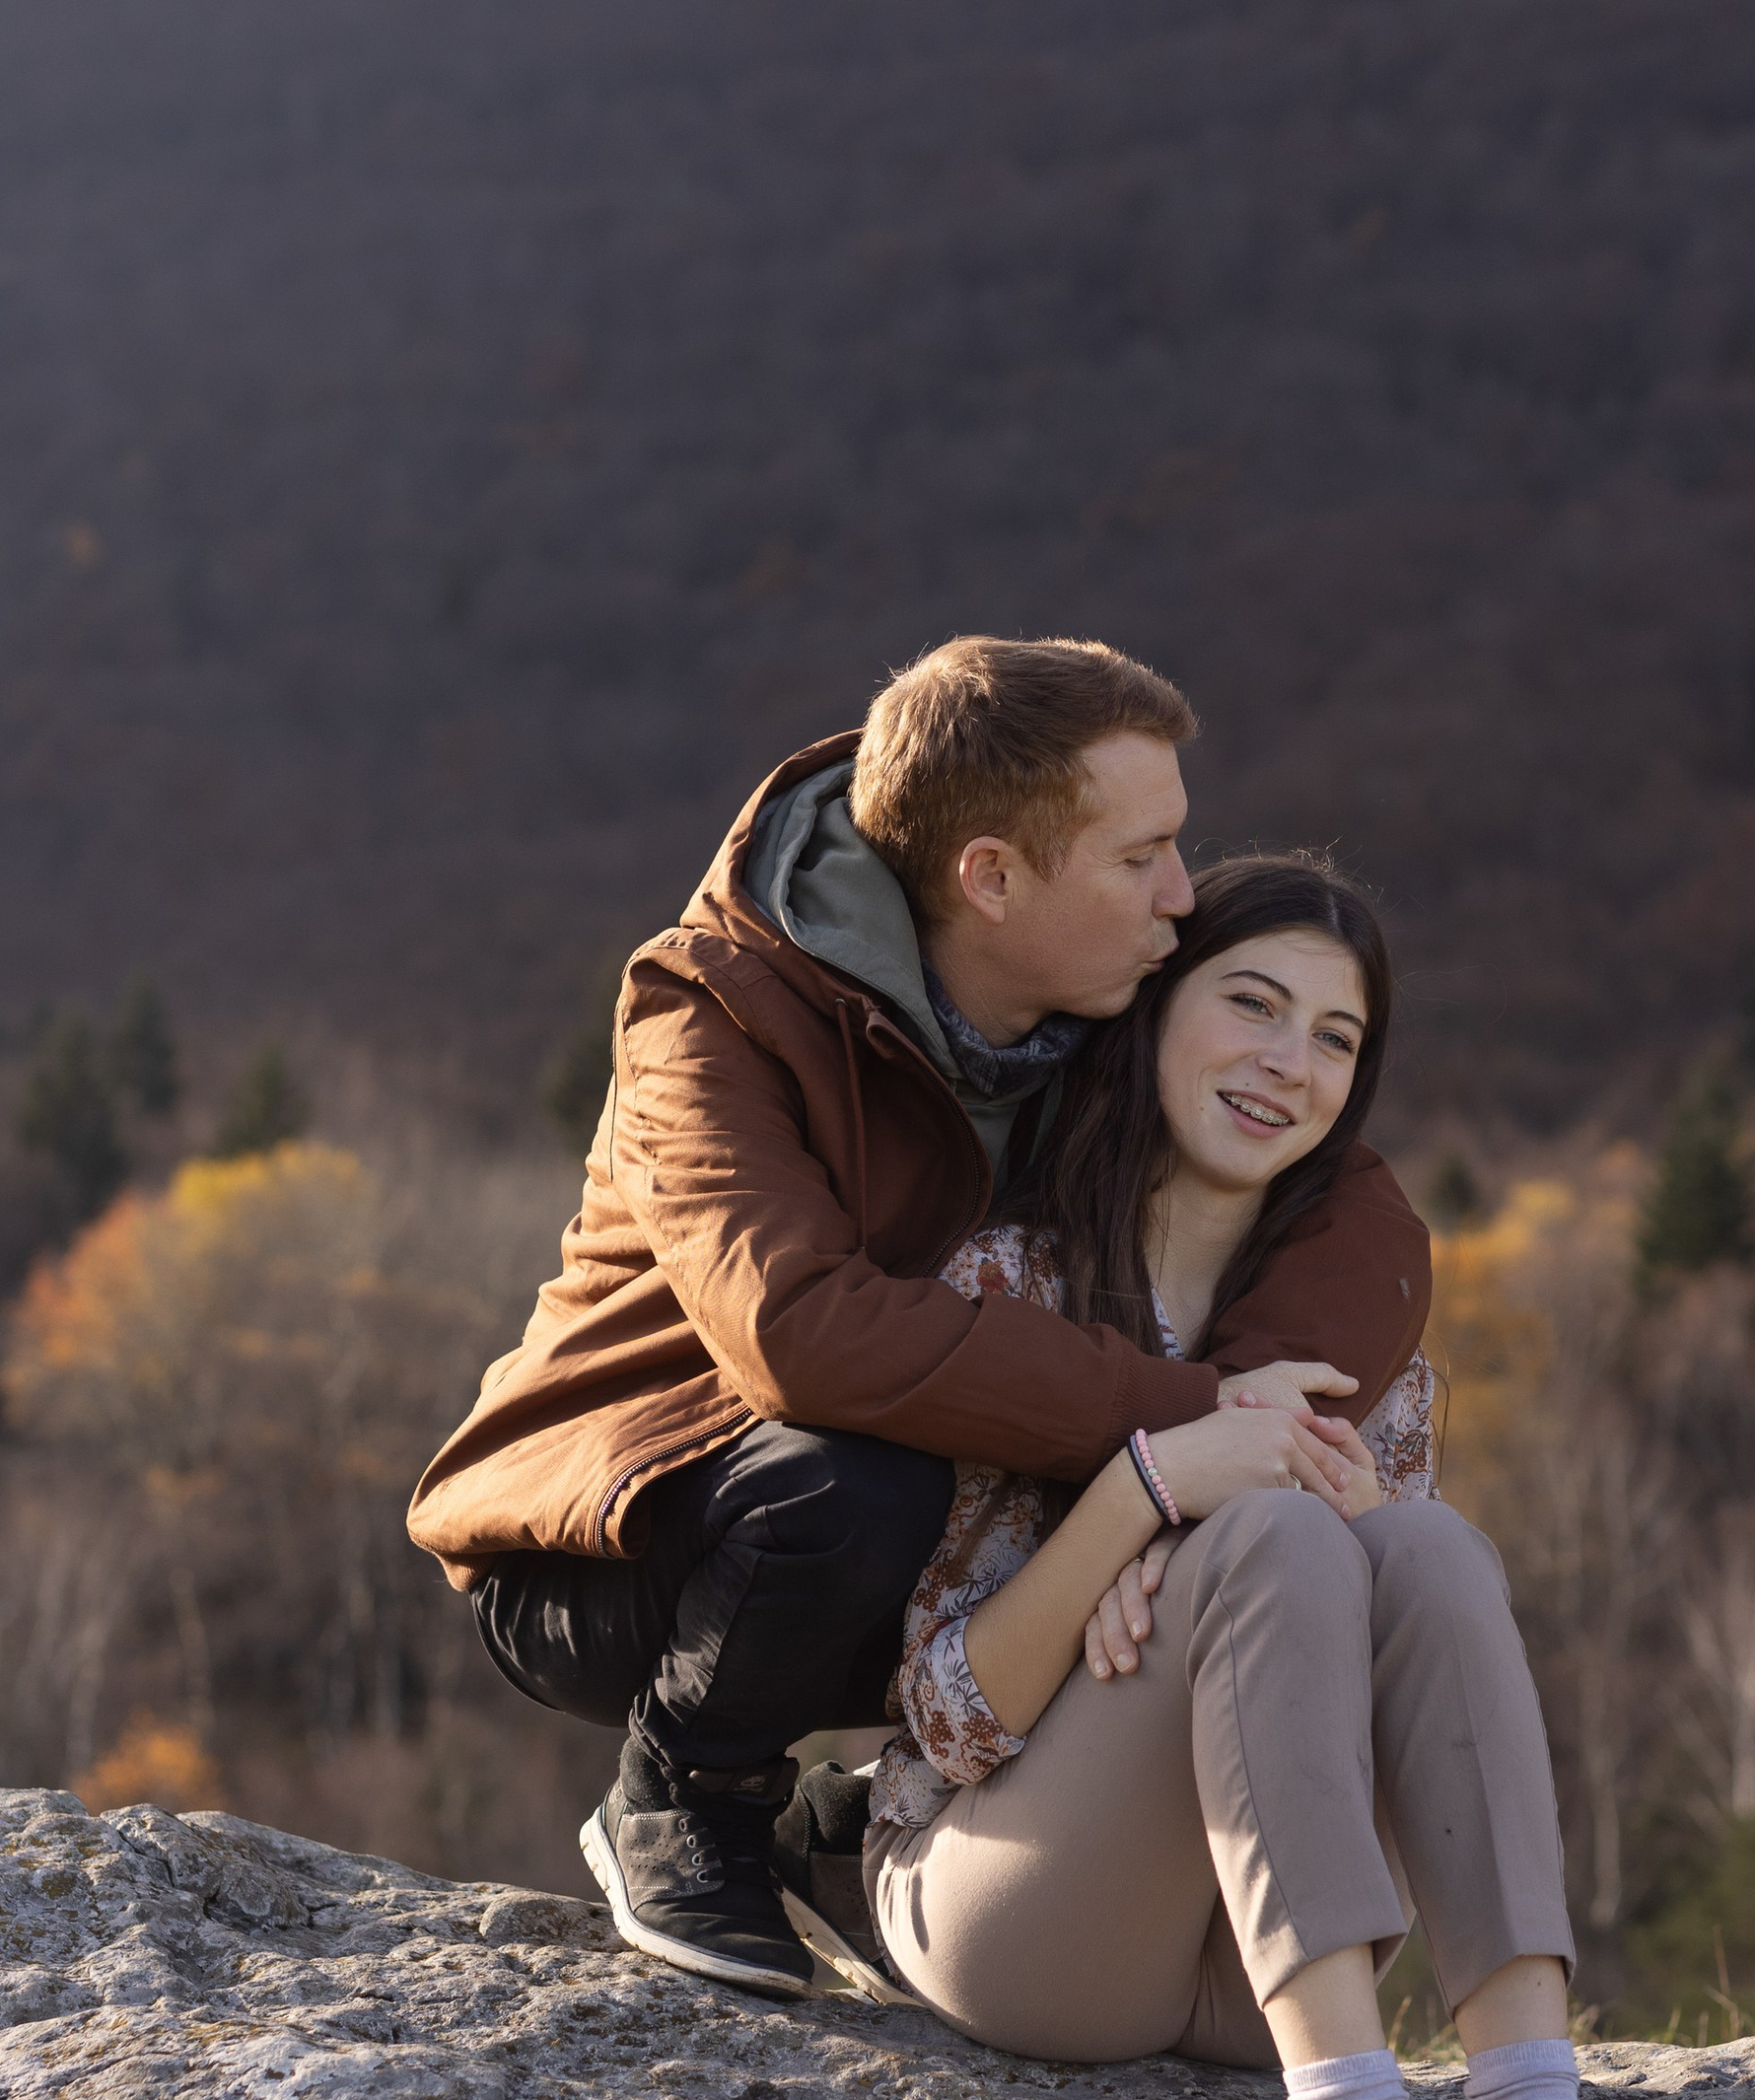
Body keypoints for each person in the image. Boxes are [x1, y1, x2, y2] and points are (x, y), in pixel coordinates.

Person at [407, 638, 1432, 1995]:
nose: (1181, 898)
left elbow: (1350, 1202)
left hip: (887, 1536)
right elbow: (800, 1334)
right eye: (1141, 860)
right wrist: (1182, 1430)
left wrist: (1227, 1459)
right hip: (620, 1547)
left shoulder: (1101, 1002)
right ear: (992, 877)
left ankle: (856, 1829)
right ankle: (684, 1794)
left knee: (1060, 1514)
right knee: (872, 1475)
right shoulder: (713, 1010)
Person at [863, 857, 1703, 2100]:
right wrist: (1146, 1499)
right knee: (1269, 1527)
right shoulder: (1006, 1282)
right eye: (1251, 1002)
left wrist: (1225, 1558)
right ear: (1155, 1009)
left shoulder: (1355, 1341)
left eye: (1333, 1036)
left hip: (1255, 1975)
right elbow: (947, 1717)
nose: (1286, 1061)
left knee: (1430, 1547)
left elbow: (1392, 1663)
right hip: (1018, 1910)